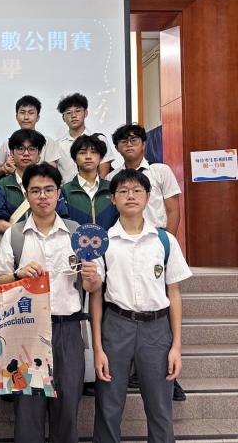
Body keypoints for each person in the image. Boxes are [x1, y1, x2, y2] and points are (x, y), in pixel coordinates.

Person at [0, 163, 102, 443]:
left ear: (58, 193)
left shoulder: (78, 234)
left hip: (67, 331)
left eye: (49, 190)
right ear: (26, 195)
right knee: (28, 409)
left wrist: (92, 277)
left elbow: (93, 287)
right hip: (26, 333)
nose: (43, 196)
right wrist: (17, 275)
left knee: (67, 407)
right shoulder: (15, 234)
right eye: (36, 190)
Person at [91, 169, 191, 442]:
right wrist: (98, 348)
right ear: (113, 199)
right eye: (123, 191)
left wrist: (176, 346)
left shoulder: (164, 241)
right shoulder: (103, 243)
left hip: (157, 329)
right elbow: (96, 296)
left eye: (137, 191)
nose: (130, 196)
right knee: (108, 407)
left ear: (148, 197)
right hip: (116, 326)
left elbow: (174, 293)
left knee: (160, 407)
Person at [106, 124, 184, 400]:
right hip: (124, 245)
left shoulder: (160, 171)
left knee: (158, 310)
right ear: (117, 148)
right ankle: (132, 370)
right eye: (123, 141)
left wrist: (164, 245)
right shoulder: (112, 177)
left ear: (143, 143)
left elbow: (173, 209)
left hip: (154, 249)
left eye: (134, 139)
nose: (129, 144)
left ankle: (168, 376)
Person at [0, 128, 45, 237]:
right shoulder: (0, 186)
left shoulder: (49, 185)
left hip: (45, 244)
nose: (26, 153)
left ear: (39, 153)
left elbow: (60, 217)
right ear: (12, 153)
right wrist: (28, 237)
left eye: (31, 149)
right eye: (20, 149)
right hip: (10, 243)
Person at [0, 95, 60, 178]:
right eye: (22, 112)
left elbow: (52, 171)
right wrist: (3, 169)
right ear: (16, 117)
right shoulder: (8, 143)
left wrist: (19, 171)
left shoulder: (48, 142)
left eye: (31, 113)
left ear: (38, 117)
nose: (26, 117)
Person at [55, 93, 117, 183]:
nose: (73, 115)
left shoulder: (99, 139)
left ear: (85, 113)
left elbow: (103, 173)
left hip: (94, 189)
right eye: (68, 113)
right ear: (63, 118)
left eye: (78, 111)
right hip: (66, 190)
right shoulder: (57, 145)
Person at [61, 134, 119, 230]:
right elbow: (64, 221)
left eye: (93, 152)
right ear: (74, 159)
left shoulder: (112, 189)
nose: (88, 157)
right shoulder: (65, 191)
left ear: (100, 158)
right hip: (74, 239)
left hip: (110, 239)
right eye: (82, 153)